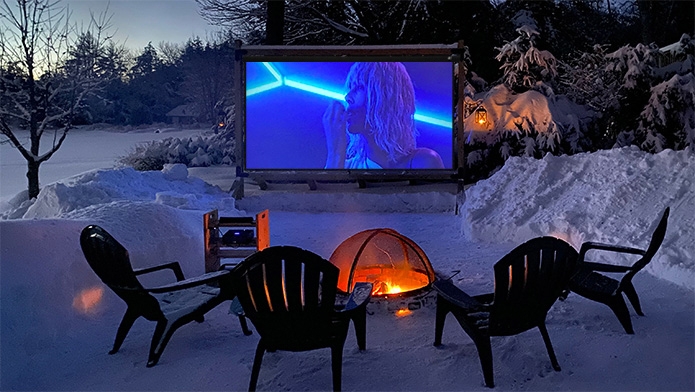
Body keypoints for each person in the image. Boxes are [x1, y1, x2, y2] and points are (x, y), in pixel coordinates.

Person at [323, 62, 445, 169]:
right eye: (350, 88)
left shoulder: (423, 162)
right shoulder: (342, 167)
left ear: (385, 97)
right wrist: (335, 153)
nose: (348, 97)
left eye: (359, 87)